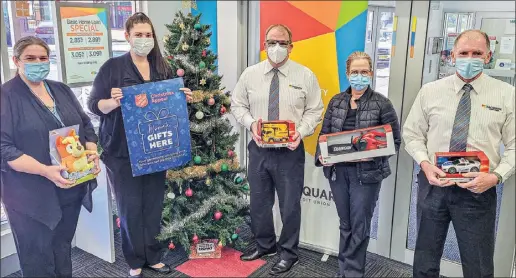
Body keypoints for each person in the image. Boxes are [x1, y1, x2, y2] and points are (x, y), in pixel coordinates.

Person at [87, 12, 192, 278]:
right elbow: (93, 105)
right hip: (121, 152)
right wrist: (113, 102)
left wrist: (183, 99)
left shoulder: (162, 67)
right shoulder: (112, 68)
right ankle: (135, 261)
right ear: (127, 36)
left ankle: (154, 257)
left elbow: (168, 102)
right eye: (138, 35)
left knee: (153, 206)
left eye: (148, 35)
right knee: (129, 208)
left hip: (155, 149)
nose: (144, 40)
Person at [403, 29, 515, 278]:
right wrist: (424, 162)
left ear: (488, 56)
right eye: (464, 52)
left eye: (477, 53)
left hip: (478, 190)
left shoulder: (506, 95)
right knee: (425, 259)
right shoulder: (430, 91)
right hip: (434, 185)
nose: (469, 57)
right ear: (452, 55)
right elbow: (411, 134)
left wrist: (496, 176)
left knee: (478, 266)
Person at [0, 36, 100, 277]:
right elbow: (4, 148)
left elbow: (85, 124)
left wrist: (91, 153)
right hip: (29, 196)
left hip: (68, 187)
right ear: (16, 61)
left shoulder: (60, 89)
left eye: (43, 58)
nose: (38, 63)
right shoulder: (6, 96)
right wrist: (45, 170)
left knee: (62, 249)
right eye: (30, 59)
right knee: (37, 259)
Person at [231, 24, 324, 275]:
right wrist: (251, 124)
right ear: (264, 45)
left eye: (282, 43)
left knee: (289, 206)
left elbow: (315, 110)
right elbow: (237, 105)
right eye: (272, 42)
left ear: (291, 47)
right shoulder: (250, 75)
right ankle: (265, 245)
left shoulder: (305, 76)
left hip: (290, 151)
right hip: (259, 150)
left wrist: (301, 131)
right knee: (259, 203)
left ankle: (288, 253)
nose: (276, 48)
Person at [315, 51, 401, 277]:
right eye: (355, 72)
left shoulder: (383, 104)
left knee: (359, 226)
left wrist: (372, 154)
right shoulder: (336, 101)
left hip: (367, 175)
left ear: (371, 73)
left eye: (364, 72)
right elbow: (324, 135)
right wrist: (321, 156)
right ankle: (344, 270)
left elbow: (395, 141)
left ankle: (352, 273)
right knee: (346, 224)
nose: (359, 76)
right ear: (347, 74)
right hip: (338, 173)